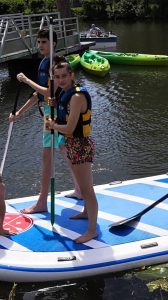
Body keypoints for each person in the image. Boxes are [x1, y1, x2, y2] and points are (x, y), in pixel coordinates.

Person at [9, 29, 81, 214]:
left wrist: (26, 80)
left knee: (48, 157)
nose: (40, 45)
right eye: (38, 42)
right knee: (65, 152)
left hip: (57, 114)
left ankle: (42, 203)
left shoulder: (57, 64)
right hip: (49, 113)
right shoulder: (43, 62)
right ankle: (80, 190)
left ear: (53, 44)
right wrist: (19, 113)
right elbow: (38, 94)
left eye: (43, 42)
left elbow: (49, 92)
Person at [47, 61, 98, 243]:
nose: (61, 80)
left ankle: (92, 230)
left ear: (71, 76)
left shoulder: (76, 97)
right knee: (84, 188)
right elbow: (65, 116)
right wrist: (55, 103)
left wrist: (53, 125)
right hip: (72, 145)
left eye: (64, 76)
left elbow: (69, 128)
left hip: (79, 145)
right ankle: (85, 213)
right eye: (57, 77)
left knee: (87, 190)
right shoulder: (64, 94)